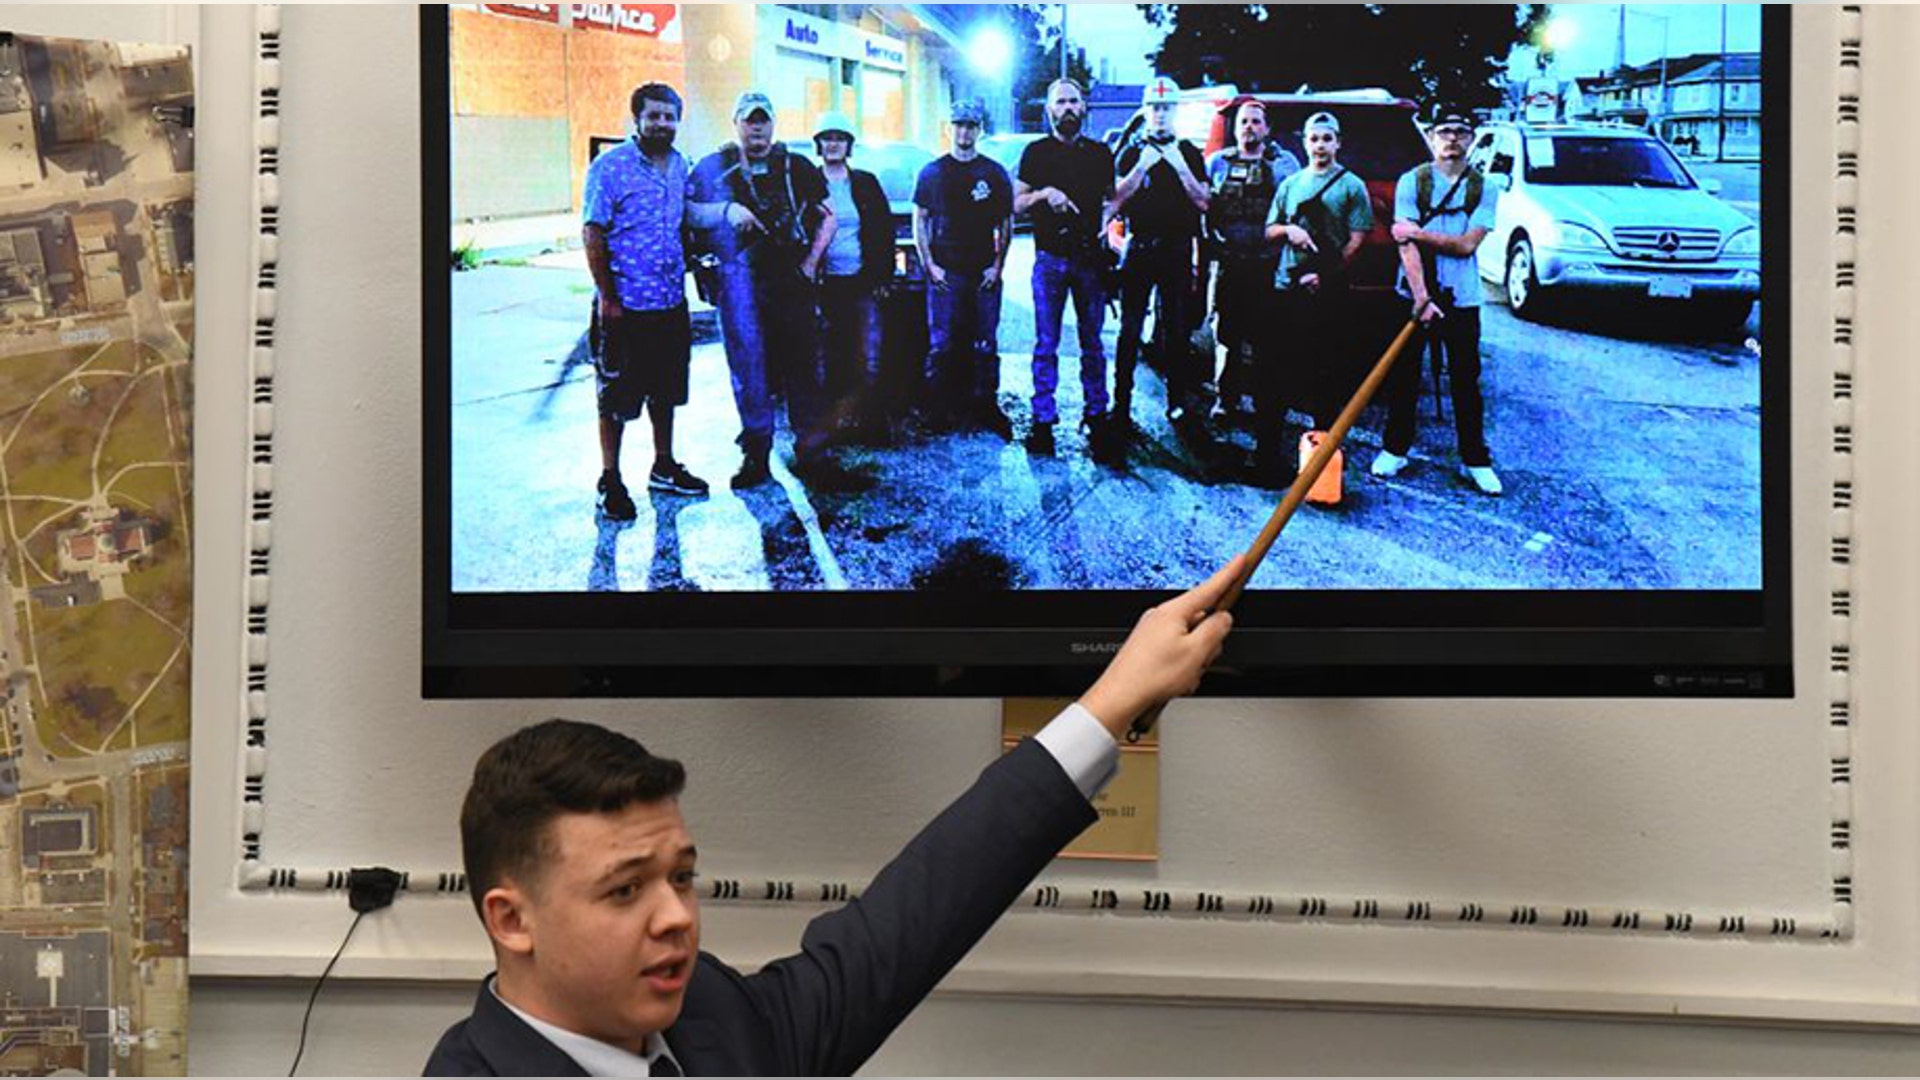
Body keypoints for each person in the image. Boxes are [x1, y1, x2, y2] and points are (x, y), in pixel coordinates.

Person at [424, 556, 1243, 1077]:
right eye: (624, 891)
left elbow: (915, 916)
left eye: (681, 876)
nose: (676, 919)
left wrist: (1114, 700)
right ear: (512, 919)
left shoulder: (710, 1017)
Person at [687, 92, 836, 490]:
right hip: (738, 285)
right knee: (749, 373)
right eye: (750, 120)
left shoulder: (797, 167)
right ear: (736, 123)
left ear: (773, 123)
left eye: (763, 120)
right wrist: (725, 211)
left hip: (791, 282)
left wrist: (810, 264)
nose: (757, 128)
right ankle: (756, 455)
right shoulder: (712, 167)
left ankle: (813, 453)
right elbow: (687, 211)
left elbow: (828, 217)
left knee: (805, 370)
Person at [581, 82, 708, 522]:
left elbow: (687, 224)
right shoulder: (610, 167)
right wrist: (606, 297)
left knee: (667, 391)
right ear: (637, 119)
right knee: (615, 397)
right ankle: (610, 480)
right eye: (653, 115)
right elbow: (593, 231)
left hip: (670, 302)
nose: (662, 123)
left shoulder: (681, 166)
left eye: (669, 116)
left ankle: (664, 465)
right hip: (625, 304)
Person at [1376, 107, 1503, 497]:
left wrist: (1416, 233)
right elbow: (1404, 246)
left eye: (1461, 131)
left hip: (1462, 296)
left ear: (1471, 138)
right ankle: (1395, 448)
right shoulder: (1413, 181)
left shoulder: (1485, 186)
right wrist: (1421, 297)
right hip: (1414, 293)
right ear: (1432, 137)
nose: (1452, 139)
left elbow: (1467, 245)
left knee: (1466, 378)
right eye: (1444, 131)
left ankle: (1474, 459)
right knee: (1405, 376)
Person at [1257, 111, 1373, 483]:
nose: (1320, 146)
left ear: (1338, 143)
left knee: (1326, 376)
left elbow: (1357, 240)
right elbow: (1269, 230)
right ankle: (1269, 457)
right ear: (1304, 143)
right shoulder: (1290, 184)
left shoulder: (1352, 186)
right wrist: (1289, 230)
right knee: (1276, 374)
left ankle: (1323, 464)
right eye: (1314, 139)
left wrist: (1325, 274)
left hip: (1329, 294)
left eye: (1327, 138)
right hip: (1287, 288)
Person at [1107, 78, 1212, 461]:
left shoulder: (1190, 152)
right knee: (1130, 329)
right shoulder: (1131, 151)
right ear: (1146, 111)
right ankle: (1121, 403)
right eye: (1155, 108)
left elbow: (1204, 202)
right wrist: (1144, 166)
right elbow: (1114, 200)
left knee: (1178, 329)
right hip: (1140, 247)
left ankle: (1178, 401)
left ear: (1176, 113)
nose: (1161, 114)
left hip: (1177, 249)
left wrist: (1179, 166)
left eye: (1167, 108)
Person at [1015, 79, 1117, 457]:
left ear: (1084, 106)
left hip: (1090, 261)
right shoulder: (1036, 153)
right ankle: (1043, 421)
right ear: (1049, 109)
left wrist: (1109, 223)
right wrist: (1045, 194)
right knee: (1046, 344)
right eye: (1061, 102)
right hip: (1050, 261)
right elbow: (1015, 204)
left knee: (1093, 344)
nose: (1068, 108)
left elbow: (1114, 198)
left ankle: (1097, 417)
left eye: (1074, 101)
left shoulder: (1100, 153)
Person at [913, 98, 1014, 438]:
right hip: (945, 274)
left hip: (983, 272)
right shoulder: (932, 172)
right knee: (942, 344)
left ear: (979, 130)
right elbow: (920, 220)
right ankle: (937, 410)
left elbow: (1005, 222)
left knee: (985, 342)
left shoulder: (993, 173)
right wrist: (930, 266)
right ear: (949, 128)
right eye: (959, 124)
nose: (964, 131)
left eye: (971, 125)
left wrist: (997, 266)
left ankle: (986, 407)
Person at [1204, 100, 1299, 427]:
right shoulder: (1217, 163)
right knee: (1227, 336)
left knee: (1267, 339)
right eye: (1244, 121)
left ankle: (1264, 403)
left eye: (1257, 122)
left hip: (1268, 265)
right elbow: (1203, 207)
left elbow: (1297, 210)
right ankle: (1226, 399)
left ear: (1267, 128)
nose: (1249, 127)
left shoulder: (1285, 164)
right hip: (1229, 264)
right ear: (1235, 127)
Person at [811, 111, 895, 447]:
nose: (833, 144)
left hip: (861, 283)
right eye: (827, 138)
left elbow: (883, 230)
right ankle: (834, 426)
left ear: (849, 145)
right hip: (823, 286)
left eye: (840, 138)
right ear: (819, 144)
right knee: (829, 357)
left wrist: (882, 276)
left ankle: (871, 422)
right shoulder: (808, 181)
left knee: (868, 356)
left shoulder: (865, 182)